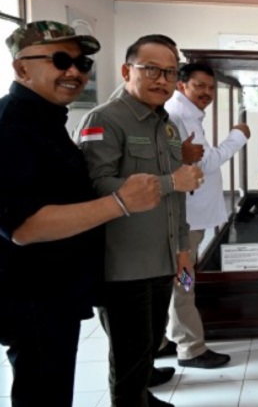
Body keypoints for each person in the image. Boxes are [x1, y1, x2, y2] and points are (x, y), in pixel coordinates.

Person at [0, 21, 161, 407]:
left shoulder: (47, 122)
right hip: (33, 295)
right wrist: (120, 202)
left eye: (81, 62)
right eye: (59, 60)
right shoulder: (13, 125)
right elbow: (23, 227)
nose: (74, 72)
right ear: (22, 68)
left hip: (56, 291)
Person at [76, 35, 204, 407]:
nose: (161, 79)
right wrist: (170, 181)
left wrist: (182, 250)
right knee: (129, 352)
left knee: (148, 342)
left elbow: (177, 198)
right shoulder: (104, 119)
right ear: (126, 70)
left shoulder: (166, 126)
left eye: (169, 72)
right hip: (122, 265)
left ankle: (141, 398)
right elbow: (97, 187)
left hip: (161, 259)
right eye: (151, 69)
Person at [158, 62, 250, 368]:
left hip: (190, 217)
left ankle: (167, 339)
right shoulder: (181, 115)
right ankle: (190, 346)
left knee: (178, 277)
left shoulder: (185, 114)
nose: (207, 93)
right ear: (182, 85)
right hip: (186, 220)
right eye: (200, 86)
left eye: (211, 88)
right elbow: (206, 162)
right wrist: (237, 136)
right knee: (183, 280)